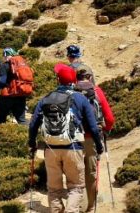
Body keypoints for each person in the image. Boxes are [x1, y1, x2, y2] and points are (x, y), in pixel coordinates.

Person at [29, 64, 103, 213]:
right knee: (75, 186)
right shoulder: (80, 98)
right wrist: (99, 146)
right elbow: (93, 127)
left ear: (58, 80)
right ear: (74, 81)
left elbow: (33, 125)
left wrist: (32, 143)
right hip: (73, 148)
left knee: (54, 188)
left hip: (50, 149)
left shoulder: (46, 98)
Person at [74, 66, 115, 212]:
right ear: (90, 77)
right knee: (91, 172)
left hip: (74, 138)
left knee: (76, 171)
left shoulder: (71, 92)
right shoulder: (97, 91)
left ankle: (77, 204)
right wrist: (106, 129)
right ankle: (91, 205)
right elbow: (109, 118)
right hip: (92, 137)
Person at [0, 48, 33, 124]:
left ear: (6, 56)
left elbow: (2, 81)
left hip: (7, 96)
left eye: (4, 56)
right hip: (21, 94)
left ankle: (2, 134)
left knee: (2, 118)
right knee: (21, 120)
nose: (3, 58)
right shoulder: (23, 65)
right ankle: (29, 134)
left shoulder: (5, 65)